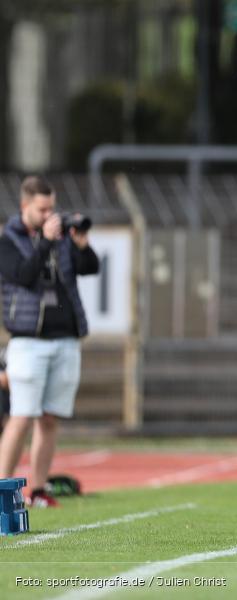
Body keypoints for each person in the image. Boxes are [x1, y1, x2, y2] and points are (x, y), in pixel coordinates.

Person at [0, 175, 99, 508]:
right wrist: (44, 241)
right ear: (25, 206)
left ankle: (39, 488)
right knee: (22, 414)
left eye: (51, 208)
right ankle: (3, 487)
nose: (49, 215)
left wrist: (80, 242)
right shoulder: (8, 239)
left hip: (65, 338)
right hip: (29, 340)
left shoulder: (61, 237)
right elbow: (23, 276)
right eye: (42, 209)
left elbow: (90, 267)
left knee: (49, 417)